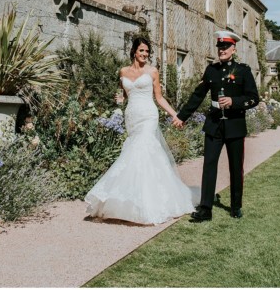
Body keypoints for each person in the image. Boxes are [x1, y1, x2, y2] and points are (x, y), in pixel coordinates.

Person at [84, 37, 196, 225]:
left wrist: (175, 115)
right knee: (134, 153)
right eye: (142, 51)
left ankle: (147, 204)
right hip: (132, 117)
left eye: (147, 52)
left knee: (142, 150)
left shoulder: (152, 71)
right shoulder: (123, 71)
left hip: (148, 116)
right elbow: (123, 94)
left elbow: (159, 98)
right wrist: (118, 100)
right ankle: (130, 200)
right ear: (134, 51)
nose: (145, 55)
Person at [175, 30, 259, 222]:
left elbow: (253, 98)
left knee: (236, 167)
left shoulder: (243, 70)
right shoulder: (211, 70)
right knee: (209, 166)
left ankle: (236, 206)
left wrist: (234, 102)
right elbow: (198, 95)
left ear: (233, 49)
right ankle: (205, 209)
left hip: (235, 125)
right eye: (220, 47)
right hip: (213, 124)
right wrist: (182, 116)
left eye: (226, 47)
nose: (222, 50)